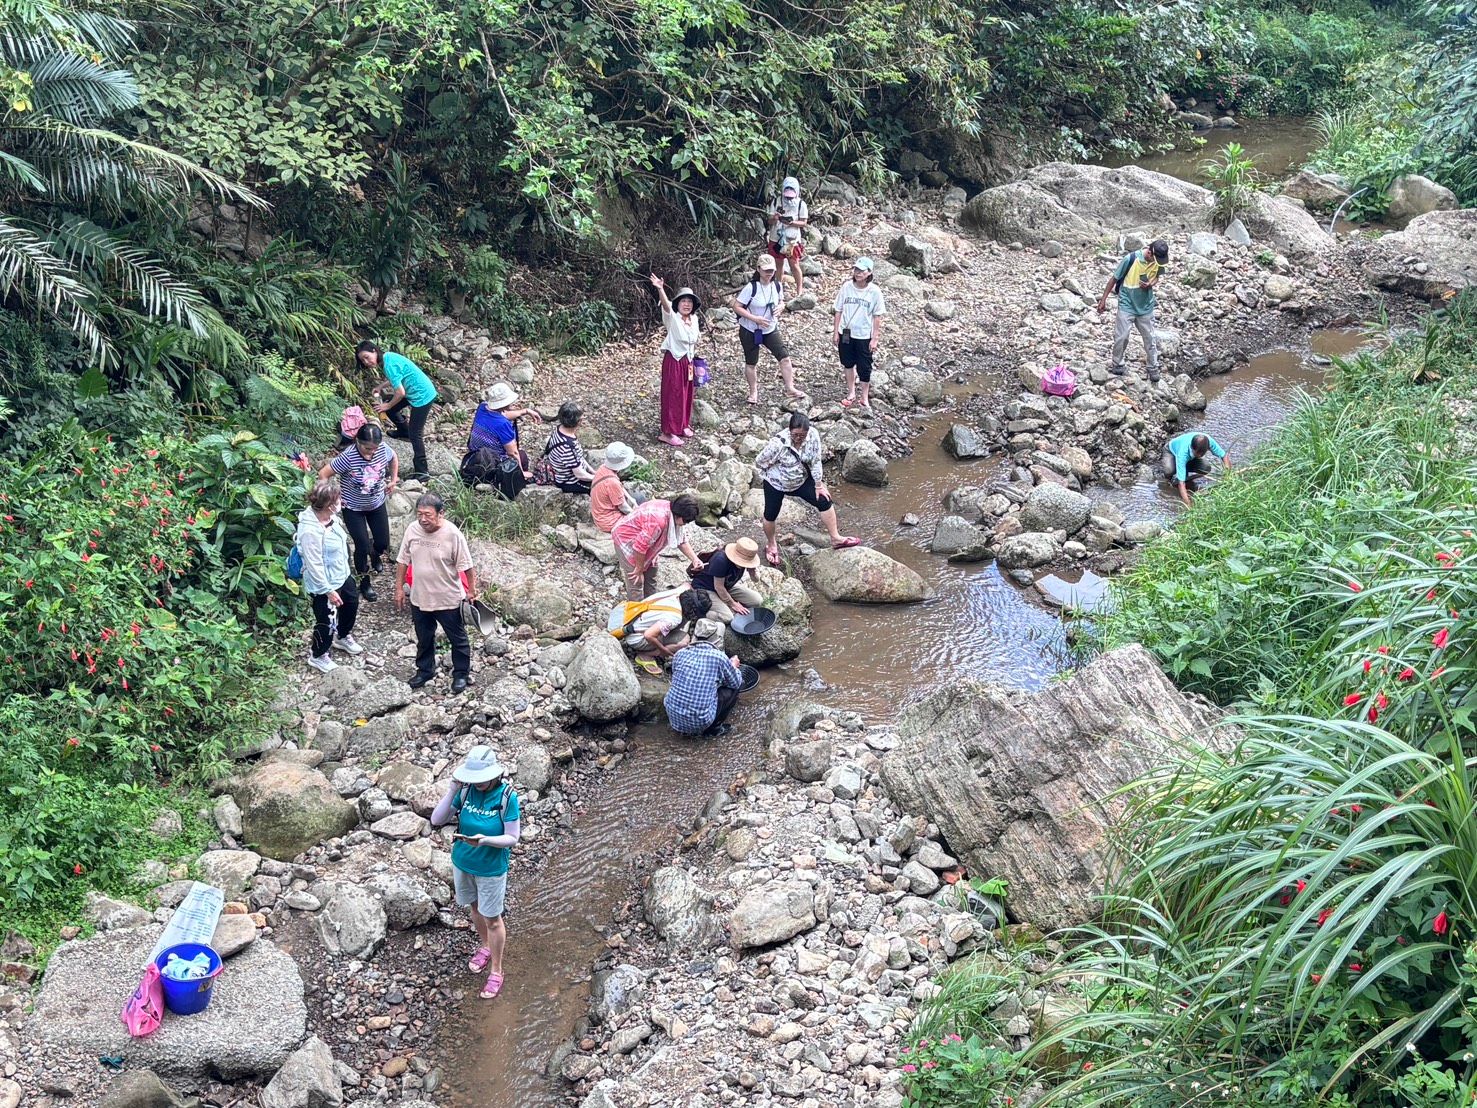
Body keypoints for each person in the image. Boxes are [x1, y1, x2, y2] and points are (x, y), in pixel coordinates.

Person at [430, 746, 520, 1001]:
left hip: (491, 869)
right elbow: (437, 819)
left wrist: (485, 840)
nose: (477, 784)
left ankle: (497, 969)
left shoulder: (506, 797)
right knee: (475, 909)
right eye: (473, 779)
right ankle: (484, 946)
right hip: (463, 862)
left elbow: (513, 837)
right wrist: (453, 789)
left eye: (481, 779)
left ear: (494, 775)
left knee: (493, 918)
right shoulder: (467, 790)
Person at [395, 492, 476, 693]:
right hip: (419, 596)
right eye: (419, 514)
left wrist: (472, 591)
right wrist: (398, 588)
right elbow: (402, 560)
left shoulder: (453, 534)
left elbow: (467, 566)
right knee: (423, 637)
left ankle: (461, 674)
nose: (423, 519)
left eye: (428, 515)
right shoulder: (413, 530)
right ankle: (425, 670)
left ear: (441, 513)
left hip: (447, 598)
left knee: (457, 638)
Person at [754, 413, 860, 566]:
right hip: (776, 483)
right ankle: (771, 545)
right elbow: (760, 461)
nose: (798, 438)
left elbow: (816, 460)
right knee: (770, 515)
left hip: (801, 480)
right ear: (789, 430)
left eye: (802, 435)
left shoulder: (813, 436)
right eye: (795, 435)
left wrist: (818, 484)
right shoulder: (778, 443)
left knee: (824, 501)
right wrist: (777, 470)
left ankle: (836, 538)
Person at [320, 423, 398, 602]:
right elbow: (323, 473)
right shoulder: (348, 457)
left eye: (374, 448)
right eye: (367, 448)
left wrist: (394, 479)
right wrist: (328, 498)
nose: (371, 452)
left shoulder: (383, 449)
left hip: (376, 503)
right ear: (357, 441)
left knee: (382, 543)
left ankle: (375, 554)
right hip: (353, 508)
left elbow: (393, 458)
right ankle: (364, 582)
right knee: (361, 546)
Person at [295, 479, 364, 673]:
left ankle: (342, 636)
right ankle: (318, 654)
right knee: (326, 619)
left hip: (342, 574)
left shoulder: (332, 519)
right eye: (337, 500)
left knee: (351, 603)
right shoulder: (310, 530)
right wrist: (328, 591)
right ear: (328, 505)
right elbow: (313, 563)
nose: (340, 502)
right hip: (324, 583)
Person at [358, 340, 437, 478]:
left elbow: (400, 392)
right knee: (390, 408)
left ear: (374, 351)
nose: (366, 362)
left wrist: (387, 405)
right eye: (363, 360)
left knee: (416, 434)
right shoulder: (387, 358)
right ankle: (403, 431)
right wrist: (381, 387)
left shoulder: (388, 364)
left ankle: (422, 471)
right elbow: (396, 377)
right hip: (414, 391)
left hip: (422, 395)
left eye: (367, 357)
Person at [1097, 238, 1169, 383]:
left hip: (1145, 306)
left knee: (1150, 338)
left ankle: (1153, 366)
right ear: (1149, 252)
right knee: (1121, 336)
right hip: (1127, 303)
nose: (1157, 262)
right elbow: (1114, 279)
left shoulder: (1159, 260)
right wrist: (1103, 299)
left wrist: (1150, 284)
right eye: (1155, 258)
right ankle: (1117, 363)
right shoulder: (1130, 259)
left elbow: (1158, 277)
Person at [732, 254, 801, 403]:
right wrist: (754, 318)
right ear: (758, 269)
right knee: (751, 362)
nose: (769, 273)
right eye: (766, 270)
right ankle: (753, 392)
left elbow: (781, 300)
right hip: (750, 329)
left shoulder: (776, 285)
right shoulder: (751, 287)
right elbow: (736, 306)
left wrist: (781, 307)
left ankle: (790, 388)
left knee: (784, 357)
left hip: (770, 328)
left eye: (771, 270)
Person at [611, 494, 704, 601]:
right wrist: (639, 570)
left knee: (651, 575)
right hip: (626, 540)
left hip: (646, 544)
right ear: (679, 515)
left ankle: (650, 605)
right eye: (686, 521)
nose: (686, 524)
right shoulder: (658, 521)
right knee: (636, 582)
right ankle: (636, 612)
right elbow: (639, 547)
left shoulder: (673, 513)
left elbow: (681, 540)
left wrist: (694, 559)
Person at [664, 622, 745, 737]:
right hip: (700, 722)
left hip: (673, 716)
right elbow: (736, 682)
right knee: (736, 686)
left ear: (695, 637)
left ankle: (684, 723)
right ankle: (714, 729)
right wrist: (733, 666)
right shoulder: (719, 657)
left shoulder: (680, 653)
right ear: (715, 639)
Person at [649, 275, 701, 447]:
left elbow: (694, 340)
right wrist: (660, 288)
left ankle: (683, 424)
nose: (686, 304)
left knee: (687, 393)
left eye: (689, 301)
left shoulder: (694, 319)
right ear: (678, 303)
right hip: (674, 360)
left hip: (688, 361)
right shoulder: (673, 317)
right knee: (673, 394)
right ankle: (668, 432)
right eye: (683, 301)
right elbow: (666, 305)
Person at [611, 586, 711, 674]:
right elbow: (649, 635)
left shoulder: (677, 593)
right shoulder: (674, 618)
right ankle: (645, 655)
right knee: (684, 641)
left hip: (626, 618)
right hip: (636, 639)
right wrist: (663, 650)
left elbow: (687, 584)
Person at [832, 258, 886, 410]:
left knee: (864, 367)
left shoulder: (874, 291)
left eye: (861, 271)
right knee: (847, 363)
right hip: (846, 332)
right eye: (856, 270)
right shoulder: (847, 287)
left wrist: (875, 338)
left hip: (863, 335)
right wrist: (836, 332)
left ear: (869, 272)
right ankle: (851, 392)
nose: (858, 273)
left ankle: (864, 397)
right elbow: (838, 310)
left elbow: (877, 316)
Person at [469, 382, 541, 477]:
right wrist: (521, 473)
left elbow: (503, 415)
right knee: (522, 456)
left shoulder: (482, 407)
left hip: (475, 456)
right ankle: (517, 484)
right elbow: (513, 453)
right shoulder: (503, 424)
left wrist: (525, 411)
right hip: (493, 463)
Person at [691, 537, 763, 621]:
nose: (743, 564)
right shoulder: (721, 560)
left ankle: (723, 603)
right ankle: (696, 612)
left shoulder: (749, 559)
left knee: (757, 600)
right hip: (706, 588)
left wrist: (752, 571)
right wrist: (733, 604)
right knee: (728, 617)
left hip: (727, 586)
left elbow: (756, 580)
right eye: (742, 561)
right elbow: (718, 587)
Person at [537, 400, 596, 494]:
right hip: (568, 481)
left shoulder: (560, 428)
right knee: (601, 489)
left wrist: (592, 471)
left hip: (561, 468)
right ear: (578, 421)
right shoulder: (568, 447)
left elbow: (578, 457)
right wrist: (597, 478)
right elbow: (579, 474)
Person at [1160, 432, 1233, 506]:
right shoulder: (1183, 453)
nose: (1199, 455)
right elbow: (1181, 484)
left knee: (1206, 468)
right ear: (1192, 448)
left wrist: (1227, 477)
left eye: (1201, 454)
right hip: (1170, 451)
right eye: (1197, 453)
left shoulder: (1209, 442)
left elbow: (1224, 456)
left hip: (1189, 457)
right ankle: (1169, 480)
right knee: (1169, 470)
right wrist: (1188, 504)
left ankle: (1185, 471)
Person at [767, 176, 809, 299]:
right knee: (778, 264)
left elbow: (804, 222)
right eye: (787, 195)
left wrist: (791, 223)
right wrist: (774, 218)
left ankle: (799, 291)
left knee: (794, 264)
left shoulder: (801, 204)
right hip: (776, 238)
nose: (788, 197)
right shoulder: (776, 202)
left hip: (792, 240)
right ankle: (778, 290)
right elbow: (769, 221)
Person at [590, 441, 640, 533]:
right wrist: (637, 515)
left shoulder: (603, 468)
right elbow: (623, 507)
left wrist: (632, 500)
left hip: (599, 513)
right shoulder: (612, 483)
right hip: (608, 521)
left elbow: (619, 487)